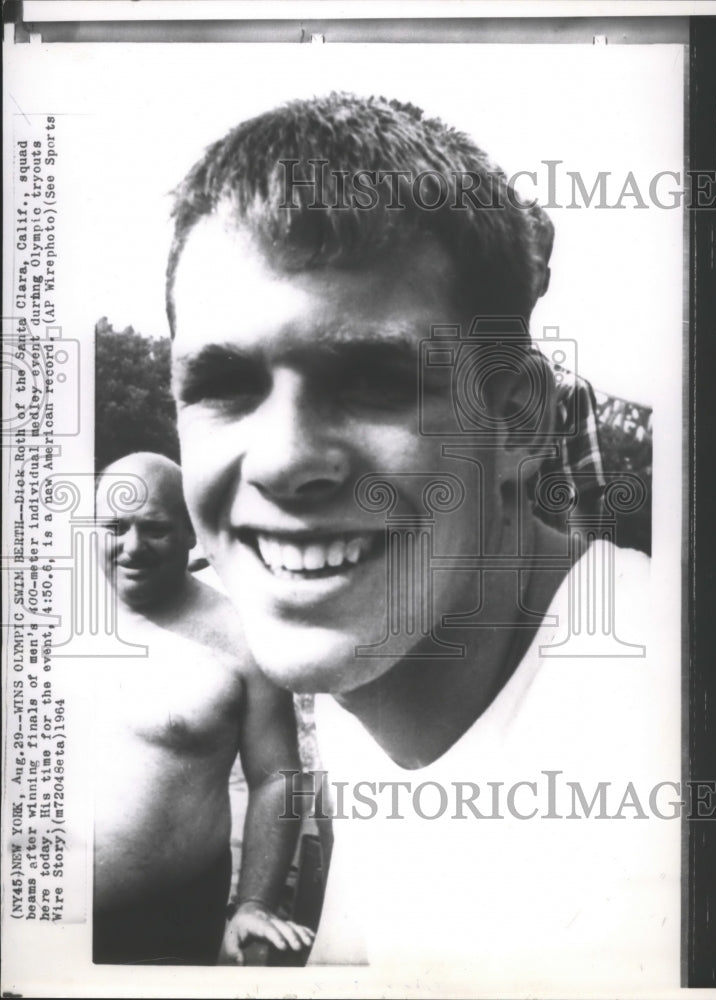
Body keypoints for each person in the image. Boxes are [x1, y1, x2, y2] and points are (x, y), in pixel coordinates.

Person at [166, 94, 679, 986]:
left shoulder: (663, 778)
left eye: (375, 381)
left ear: (522, 419)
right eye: (225, 385)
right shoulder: (387, 654)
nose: (284, 464)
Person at [92, 451, 314, 965]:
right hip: (30, 915)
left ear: (192, 531)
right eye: (114, 526)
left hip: (165, 928)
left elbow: (279, 777)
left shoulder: (240, 634)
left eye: (155, 529)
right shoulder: (44, 616)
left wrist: (254, 903)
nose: (131, 546)